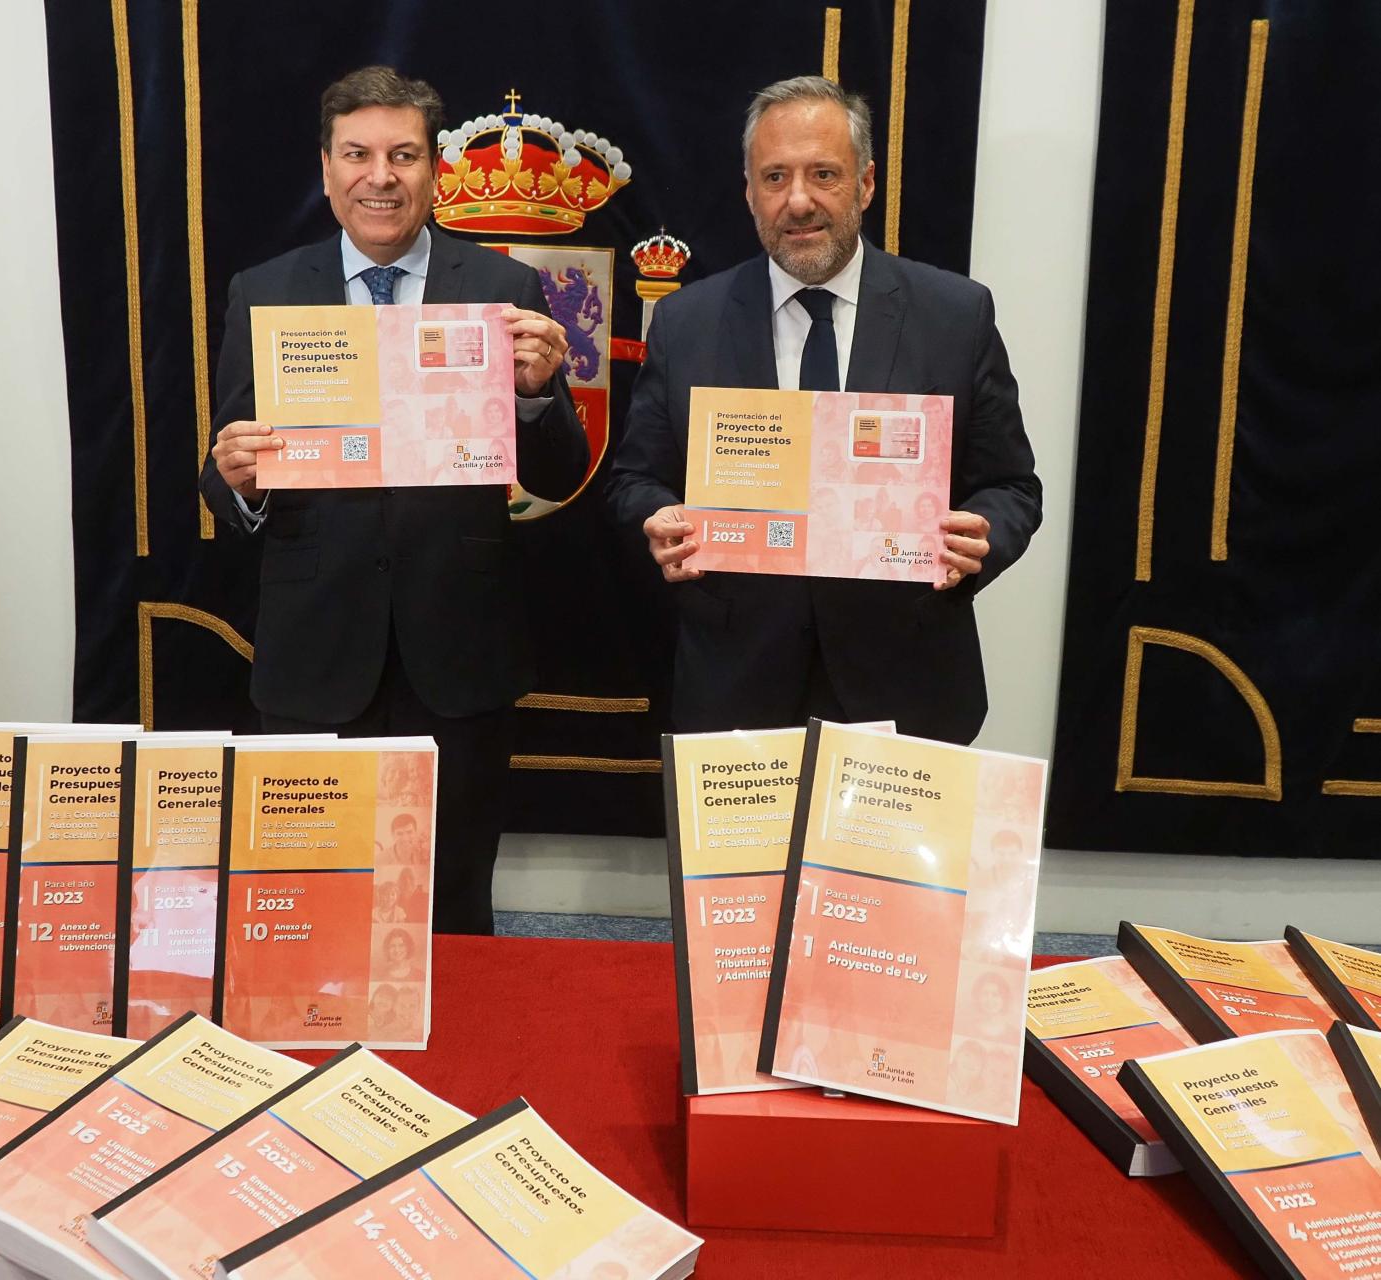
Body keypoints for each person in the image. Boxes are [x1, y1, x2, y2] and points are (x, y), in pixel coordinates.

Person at [199, 67, 589, 935]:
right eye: (359, 154)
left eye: (404, 154)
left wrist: (534, 396)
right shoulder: (263, 291)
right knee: (307, 909)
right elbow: (226, 473)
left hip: (459, 658)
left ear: (436, 170)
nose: (382, 175)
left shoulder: (505, 291)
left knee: (451, 913)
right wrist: (234, 479)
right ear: (328, 169)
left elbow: (560, 476)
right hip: (313, 655)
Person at [607, 75, 1041, 741]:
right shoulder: (685, 323)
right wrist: (655, 519)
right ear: (750, 192)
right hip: (734, 691)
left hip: (907, 687)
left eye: (824, 174)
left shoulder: (956, 315)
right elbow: (635, 480)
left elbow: (1012, 487)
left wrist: (982, 535)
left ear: (865, 185)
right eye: (775, 177)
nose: (798, 201)